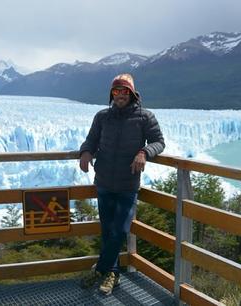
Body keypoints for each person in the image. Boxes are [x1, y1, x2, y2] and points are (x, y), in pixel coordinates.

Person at [79, 73, 165, 295]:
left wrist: (144, 152)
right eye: (116, 91)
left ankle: (100, 269)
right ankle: (112, 275)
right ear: (111, 94)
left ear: (132, 94)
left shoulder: (145, 117)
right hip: (104, 182)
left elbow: (159, 142)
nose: (120, 95)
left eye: (124, 91)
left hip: (128, 185)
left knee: (119, 230)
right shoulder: (102, 117)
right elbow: (91, 139)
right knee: (108, 231)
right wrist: (86, 152)